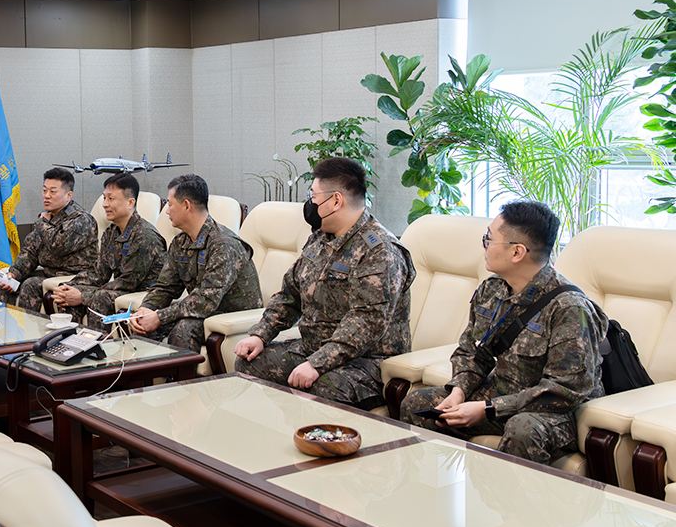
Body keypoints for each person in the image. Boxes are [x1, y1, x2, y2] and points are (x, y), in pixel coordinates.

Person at [400, 200, 606, 465]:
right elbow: (472, 353)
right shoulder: (492, 290)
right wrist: (459, 392)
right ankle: (432, 490)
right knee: (417, 404)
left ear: (517, 252)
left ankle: (506, 506)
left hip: (552, 413)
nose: (483, 245)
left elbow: (564, 391)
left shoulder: (569, 308)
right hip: (501, 397)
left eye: (489, 239)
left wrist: (488, 409)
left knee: (523, 430)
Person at [233, 158, 415, 410]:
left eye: (314, 197)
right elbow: (289, 295)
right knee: (249, 363)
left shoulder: (380, 250)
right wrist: (260, 334)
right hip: (314, 348)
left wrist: (316, 364)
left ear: (336, 200)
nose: (310, 204)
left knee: (323, 388)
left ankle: (310, 437)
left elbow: (366, 321)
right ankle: (286, 429)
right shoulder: (319, 240)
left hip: (367, 361)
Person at [130, 174, 261, 352]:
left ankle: (182, 380)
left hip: (231, 317)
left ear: (186, 206)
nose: (166, 211)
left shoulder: (224, 245)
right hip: (204, 312)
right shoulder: (180, 242)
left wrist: (159, 316)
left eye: (169, 204)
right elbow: (165, 287)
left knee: (183, 329)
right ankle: (147, 379)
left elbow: (206, 299)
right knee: (141, 326)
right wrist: (146, 309)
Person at [52, 173, 167, 330]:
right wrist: (69, 287)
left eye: (110, 199)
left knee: (100, 297)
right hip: (122, 290)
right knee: (68, 296)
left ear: (130, 202)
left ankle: (97, 348)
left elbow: (128, 282)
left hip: (144, 295)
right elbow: (99, 274)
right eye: (104, 198)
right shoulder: (111, 232)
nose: (104, 204)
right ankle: (73, 347)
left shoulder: (144, 235)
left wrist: (83, 296)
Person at [3, 167, 97, 312]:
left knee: (31, 284)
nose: (46, 196)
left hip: (75, 278)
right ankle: (8, 332)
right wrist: (15, 273)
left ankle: (30, 332)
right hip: (49, 274)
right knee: (5, 285)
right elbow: (30, 251)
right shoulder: (47, 218)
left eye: (53, 192)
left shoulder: (81, 220)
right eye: (44, 190)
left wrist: (41, 223)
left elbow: (56, 245)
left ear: (68, 195)